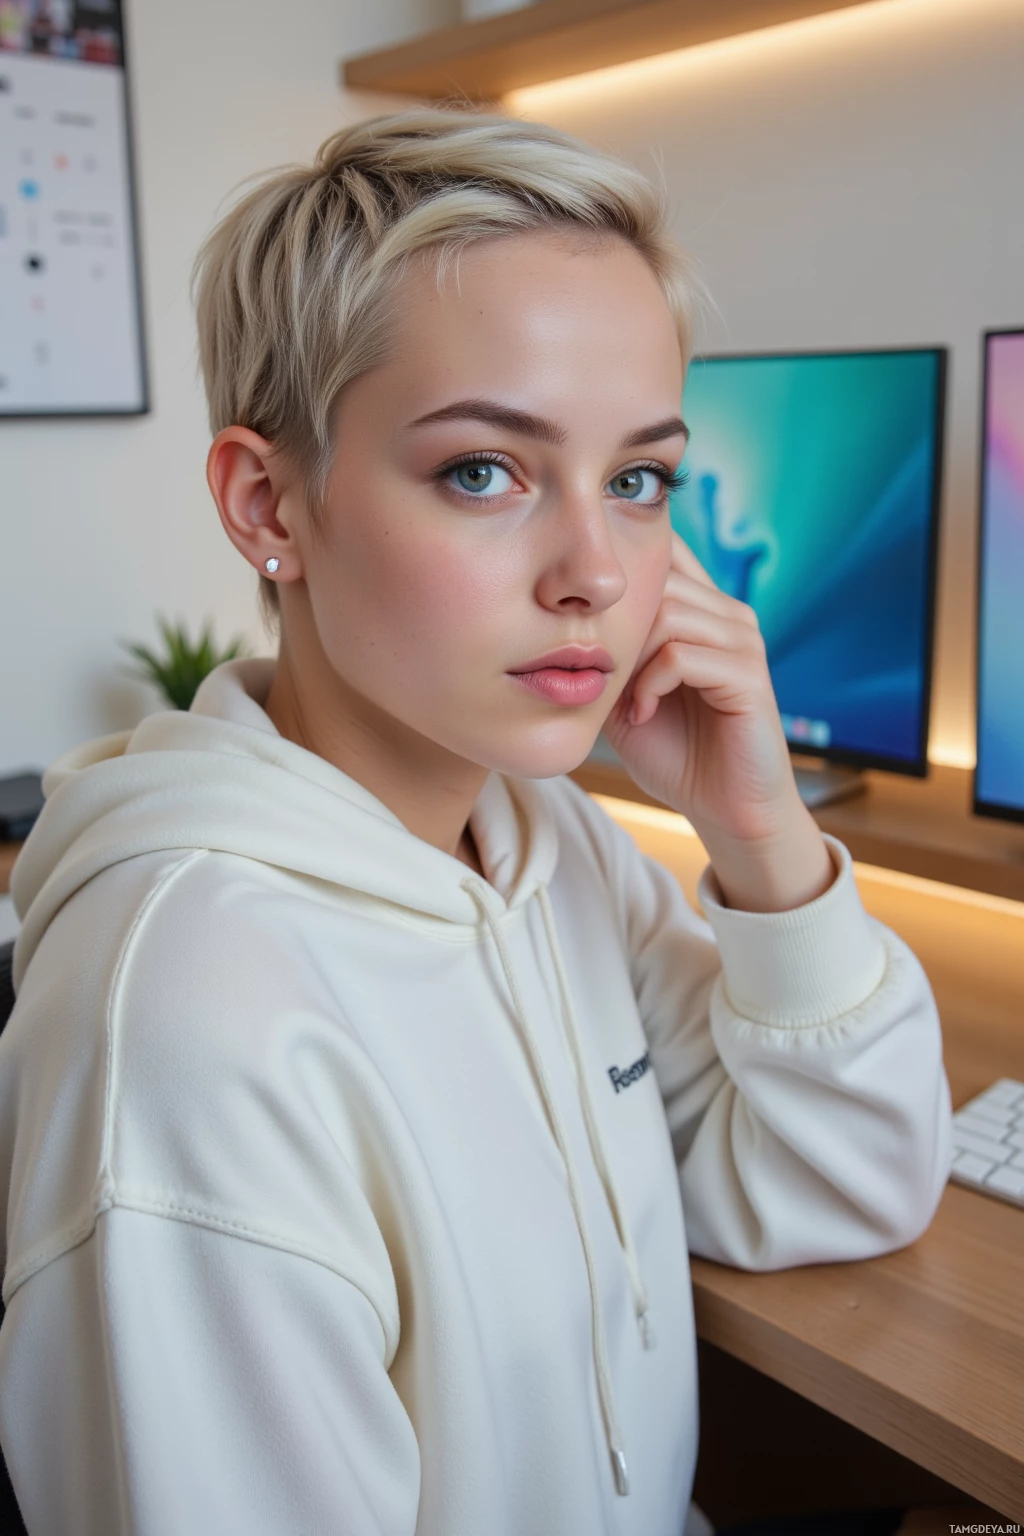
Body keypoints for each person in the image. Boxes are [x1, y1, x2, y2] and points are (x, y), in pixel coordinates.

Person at [0, 107, 952, 1535]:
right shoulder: (193, 1020)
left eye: (637, 480)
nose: (596, 573)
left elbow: (845, 1185)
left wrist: (762, 833)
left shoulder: (547, 844)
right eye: (483, 471)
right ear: (270, 505)